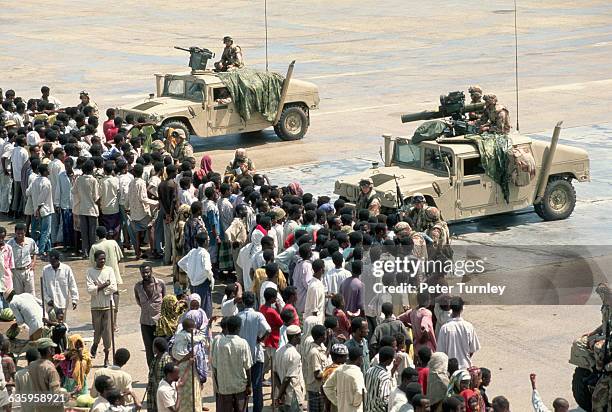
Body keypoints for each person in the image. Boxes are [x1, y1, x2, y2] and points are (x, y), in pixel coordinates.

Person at [237, 291, 270, 412]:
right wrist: (260, 339)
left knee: (242, 386)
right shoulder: (258, 316)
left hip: (242, 357)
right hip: (256, 354)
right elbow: (268, 329)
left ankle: (244, 409)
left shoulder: (238, 316)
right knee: (257, 386)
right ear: (254, 302)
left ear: (243, 302)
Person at [213, 315, 252, 411]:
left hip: (224, 386)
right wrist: (249, 385)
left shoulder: (219, 342)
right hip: (240, 386)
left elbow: (214, 366)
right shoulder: (243, 343)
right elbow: (248, 367)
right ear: (238, 328)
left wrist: (218, 385)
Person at [86, 250, 117, 366]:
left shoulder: (109, 270)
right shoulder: (90, 271)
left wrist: (98, 287)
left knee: (108, 332)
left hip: (108, 305)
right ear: (95, 260)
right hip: (96, 306)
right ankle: (95, 344)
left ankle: (107, 356)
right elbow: (90, 290)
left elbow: (113, 288)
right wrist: (104, 284)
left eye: (104, 259)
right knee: (97, 330)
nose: (102, 261)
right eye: (100, 259)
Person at [89, 227, 123, 324]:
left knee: (103, 299)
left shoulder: (94, 247)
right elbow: (119, 258)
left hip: (100, 277)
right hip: (114, 275)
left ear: (97, 235)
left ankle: (104, 321)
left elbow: (92, 263)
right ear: (106, 234)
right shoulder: (113, 243)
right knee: (115, 295)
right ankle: (114, 322)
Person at [134, 263, 166, 366]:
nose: (145, 275)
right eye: (143, 273)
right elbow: (138, 301)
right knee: (149, 350)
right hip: (145, 322)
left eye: (147, 272)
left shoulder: (161, 284)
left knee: (161, 348)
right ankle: (152, 373)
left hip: (159, 322)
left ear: (151, 271)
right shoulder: (138, 287)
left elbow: (164, 300)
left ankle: (162, 372)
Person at [171, 318, 205, 412]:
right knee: (191, 387)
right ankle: (192, 408)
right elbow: (199, 338)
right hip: (186, 363)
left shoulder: (178, 335)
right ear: (190, 329)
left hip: (178, 363)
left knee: (181, 387)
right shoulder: (188, 336)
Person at [178, 231, 214, 318]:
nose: (209, 241)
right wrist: (211, 279)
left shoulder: (192, 252)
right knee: (205, 309)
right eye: (208, 239)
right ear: (205, 242)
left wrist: (190, 272)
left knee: (194, 307)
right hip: (203, 284)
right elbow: (207, 269)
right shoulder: (205, 253)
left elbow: (180, 263)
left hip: (193, 284)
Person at [437, 297, 480, 369]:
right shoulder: (469, 326)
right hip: (466, 367)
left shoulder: (445, 328)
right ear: (462, 309)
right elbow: (472, 349)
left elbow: (441, 353)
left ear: (451, 308)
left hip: (450, 369)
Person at [127, 163, 158, 258]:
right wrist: (156, 202)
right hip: (142, 212)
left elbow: (129, 196)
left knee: (137, 232)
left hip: (134, 212)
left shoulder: (131, 182)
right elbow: (143, 198)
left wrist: (127, 207)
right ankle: (153, 251)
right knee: (151, 228)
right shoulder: (141, 183)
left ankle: (137, 253)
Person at [323, 345, 365, 412]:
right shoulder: (357, 372)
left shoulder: (339, 370)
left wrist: (337, 401)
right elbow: (360, 392)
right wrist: (355, 403)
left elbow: (327, 387)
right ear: (360, 358)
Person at [28, 338, 66, 411]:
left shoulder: (32, 365)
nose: (54, 349)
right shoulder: (50, 369)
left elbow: (42, 373)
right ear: (49, 350)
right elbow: (56, 395)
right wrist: (69, 394)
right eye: (52, 348)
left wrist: (53, 365)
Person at [275, 324, 306, 411]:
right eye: (299, 335)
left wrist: (280, 393)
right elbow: (287, 378)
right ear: (295, 337)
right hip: (292, 395)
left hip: (283, 393)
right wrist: (281, 395)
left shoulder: (279, 351)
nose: (301, 337)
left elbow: (274, 373)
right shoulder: (295, 355)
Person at [72, 159, 100, 257]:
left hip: (82, 209)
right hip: (92, 209)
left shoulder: (79, 179)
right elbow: (96, 197)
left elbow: (73, 191)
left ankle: (85, 252)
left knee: (84, 233)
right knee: (92, 233)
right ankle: (92, 252)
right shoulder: (93, 180)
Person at [28, 163, 53, 255]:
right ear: (45, 171)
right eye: (48, 169)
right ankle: (41, 250)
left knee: (40, 230)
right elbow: (42, 199)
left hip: (37, 209)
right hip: (45, 210)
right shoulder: (46, 182)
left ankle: (48, 248)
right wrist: (38, 208)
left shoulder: (35, 181)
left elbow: (28, 192)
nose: (49, 171)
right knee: (45, 231)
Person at [303, 324, 329, 412]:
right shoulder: (314, 352)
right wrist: (330, 373)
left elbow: (326, 356)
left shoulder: (321, 347)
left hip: (320, 388)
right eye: (325, 335)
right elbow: (317, 375)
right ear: (321, 337)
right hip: (315, 389)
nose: (326, 336)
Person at [7, 223, 38, 295]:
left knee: (31, 293)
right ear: (15, 233)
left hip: (27, 270)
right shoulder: (10, 244)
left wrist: (33, 263)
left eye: (22, 233)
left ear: (25, 232)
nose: (20, 235)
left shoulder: (30, 241)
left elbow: (35, 252)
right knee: (18, 295)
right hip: (16, 272)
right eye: (18, 233)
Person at [364, 346, 396, 412]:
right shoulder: (384, 375)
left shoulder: (369, 370)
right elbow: (384, 399)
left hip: (368, 409)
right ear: (389, 360)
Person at [14, 348, 39, 412]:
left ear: (26, 359)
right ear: (38, 358)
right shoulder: (41, 373)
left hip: (25, 408)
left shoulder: (18, 374)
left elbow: (17, 393)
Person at [0, 228, 14, 307]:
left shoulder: (8, 248)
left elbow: (11, 265)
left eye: (3, 237)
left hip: (7, 279)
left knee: (7, 305)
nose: (1, 240)